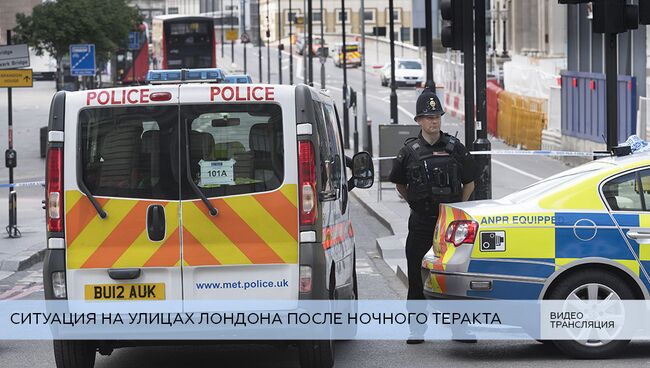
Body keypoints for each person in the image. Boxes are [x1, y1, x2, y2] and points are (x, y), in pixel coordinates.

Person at [388, 87, 477, 344]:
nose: (433, 120)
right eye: (428, 117)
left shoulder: (455, 148)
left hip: (451, 228)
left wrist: (457, 211)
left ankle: (460, 329)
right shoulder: (409, 151)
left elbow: (469, 182)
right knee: (417, 278)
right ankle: (417, 330)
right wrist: (416, 204)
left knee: (456, 279)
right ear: (418, 120)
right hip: (422, 225)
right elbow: (400, 184)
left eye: (437, 115)